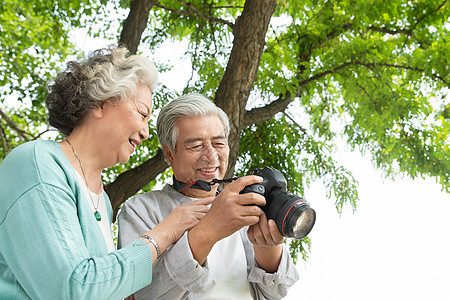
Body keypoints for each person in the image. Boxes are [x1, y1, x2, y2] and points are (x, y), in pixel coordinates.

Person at [0, 46, 212, 299]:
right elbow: (74, 289)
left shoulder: (101, 198)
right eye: (142, 113)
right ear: (100, 103)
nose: (145, 132)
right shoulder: (37, 163)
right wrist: (167, 231)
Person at [118, 93, 299, 299]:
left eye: (219, 143)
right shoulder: (141, 210)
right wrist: (209, 229)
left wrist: (267, 246)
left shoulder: (244, 204)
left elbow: (274, 293)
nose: (211, 156)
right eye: (195, 146)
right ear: (170, 154)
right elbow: (139, 295)